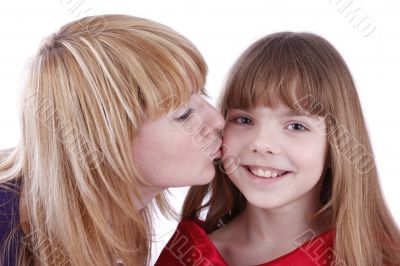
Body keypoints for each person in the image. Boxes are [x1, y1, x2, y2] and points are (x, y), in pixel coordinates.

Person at [155, 32, 400, 265]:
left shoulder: (382, 256)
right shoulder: (188, 255)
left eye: (296, 126)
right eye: (244, 119)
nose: (262, 144)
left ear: (336, 145)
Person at [0, 14, 224, 266]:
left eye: (202, 93)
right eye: (184, 114)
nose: (217, 120)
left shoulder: (119, 215)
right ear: (104, 139)